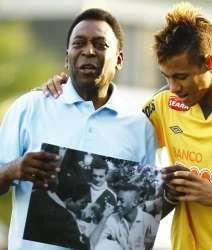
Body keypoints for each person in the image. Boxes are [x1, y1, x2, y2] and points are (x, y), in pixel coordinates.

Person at [38, 2, 212, 250]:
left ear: (209, 63)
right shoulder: (164, 103)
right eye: (167, 77)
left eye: (182, 77)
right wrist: (70, 88)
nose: (174, 87)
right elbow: (114, 131)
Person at [0, 8, 156, 250]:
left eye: (100, 44)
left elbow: (141, 216)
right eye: (79, 43)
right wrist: (11, 170)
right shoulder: (28, 108)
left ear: (119, 59)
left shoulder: (139, 127)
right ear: (67, 56)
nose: (88, 51)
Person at [23, 177, 90, 249]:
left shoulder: (37, 193)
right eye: (82, 202)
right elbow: (85, 247)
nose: (85, 206)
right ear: (69, 201)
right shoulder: (66, 221)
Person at [90, 184, 158, 250]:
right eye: (117, 200)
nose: (117, 204)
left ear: (134, 202)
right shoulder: (113, 219)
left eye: (122, 201)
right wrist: (104, 218)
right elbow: (92, 244)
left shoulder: (148, 220)